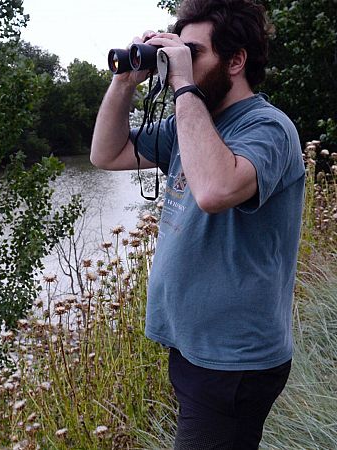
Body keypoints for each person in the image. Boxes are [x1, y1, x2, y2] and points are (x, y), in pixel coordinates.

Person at [89, 0, 305, 448]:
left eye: (194, 52)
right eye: (177, 53)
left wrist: (184, 84)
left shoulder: (268, 128)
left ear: (237, 60)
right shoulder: (189, 124)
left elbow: (213, 190)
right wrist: (124, 81)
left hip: (234, 361)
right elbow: (106, 154)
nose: (178, 64)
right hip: (195, 349)